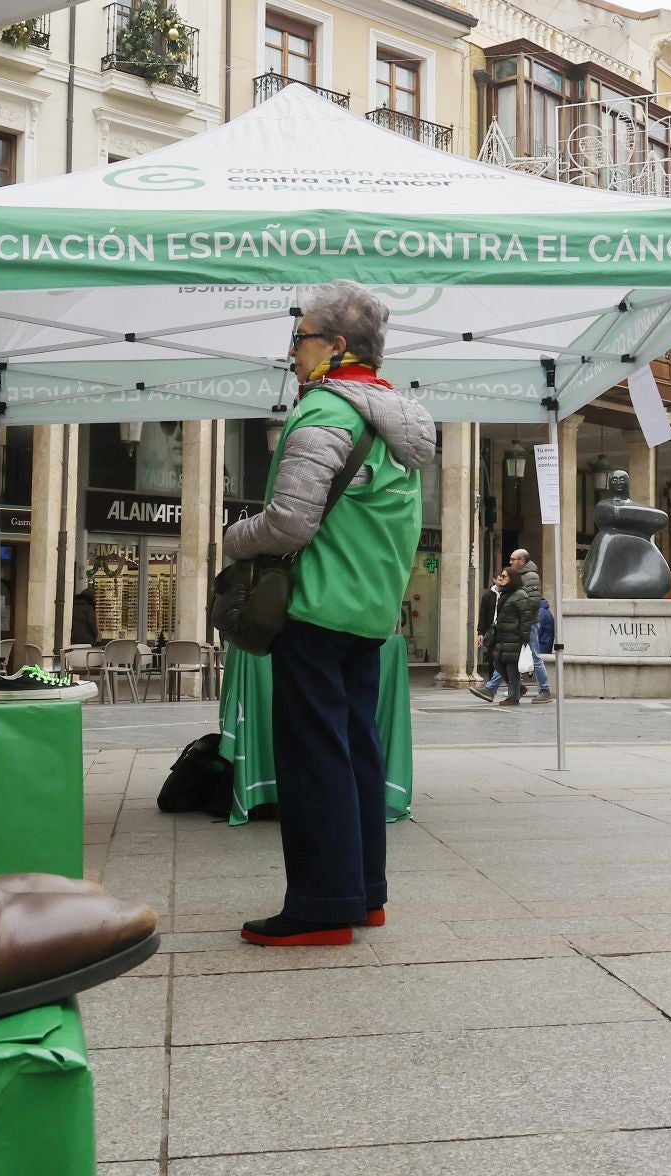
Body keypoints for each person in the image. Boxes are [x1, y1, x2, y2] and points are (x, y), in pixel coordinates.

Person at [222, 281, 434, 946]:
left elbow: (289, 524)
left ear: (335, 348)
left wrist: (234, 538)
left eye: (300, 340)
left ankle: (319, 906)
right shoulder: (398, 423)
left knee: (314, 760)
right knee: (357, 752)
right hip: (369, 615)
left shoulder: (323, 417)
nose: (291, 353)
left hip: (314, 610)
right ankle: (363, 894)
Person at [507, 548, 553, 701]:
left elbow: (533, 601)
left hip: (528, 622)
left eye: (513, 559)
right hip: (519, 622)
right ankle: (505, 689)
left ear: (522, 561)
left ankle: (545, 690)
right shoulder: (518, 576)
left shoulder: (531, 576)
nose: (510, 562)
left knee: (535, 656)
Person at [488, 570, 538, 706]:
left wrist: (524, 637)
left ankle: (513, 697)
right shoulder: (505, 593)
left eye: (504, 576)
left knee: (511, 667)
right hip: (503, 636)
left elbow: (526, 617)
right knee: (497, 663)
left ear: (513, 578)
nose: (501, 578)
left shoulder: (520, 594)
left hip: (514, 636)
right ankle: (519, 688)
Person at [469, 569, 509, 702]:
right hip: (491, 631)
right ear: (494, 580)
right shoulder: (487, 596)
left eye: (503, 578)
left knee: (503, 659)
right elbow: (483, 614)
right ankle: (493, 684)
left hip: (504, 630)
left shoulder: (507, 594)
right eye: (499, 578)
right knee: (493, 656)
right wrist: (481, 632)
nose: (501, 581)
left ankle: (496, 687)